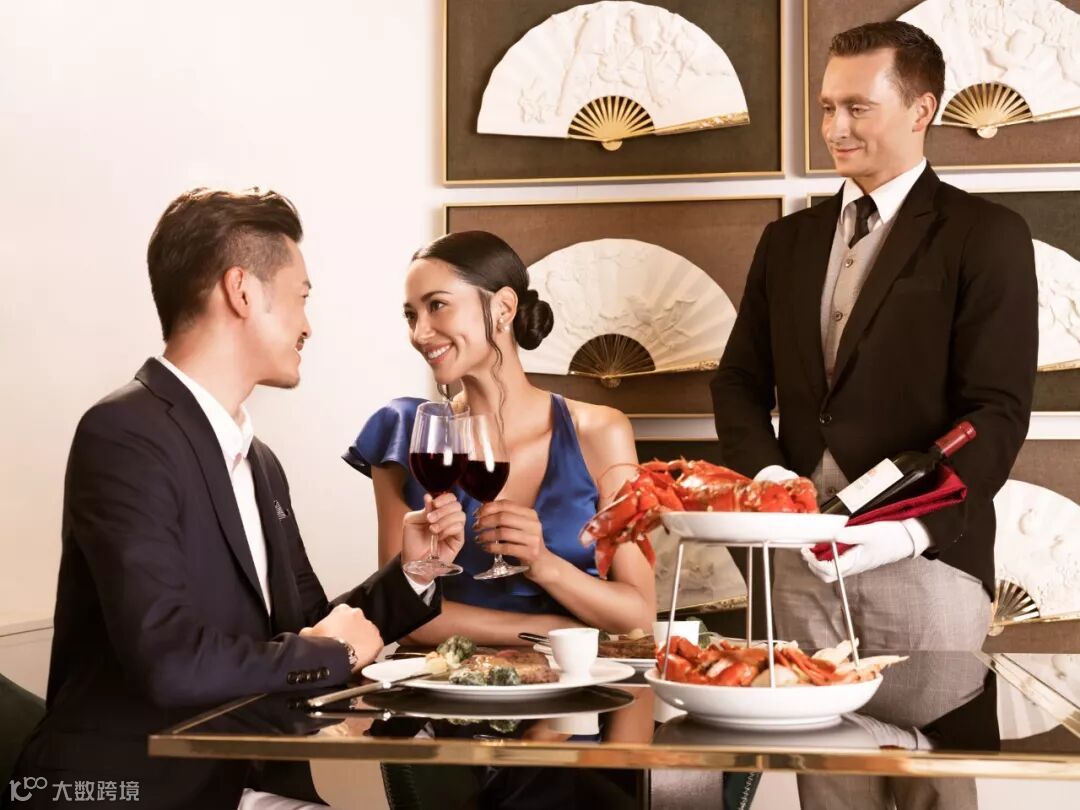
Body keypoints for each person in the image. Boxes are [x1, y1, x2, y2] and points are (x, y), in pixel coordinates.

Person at [11, 189, 466, 809]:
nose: (308, 325)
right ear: (242, 291)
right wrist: (334, 652)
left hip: (240, 783)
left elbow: (304, 629)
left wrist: (413, 574)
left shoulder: (260, 462)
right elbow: (169, 660)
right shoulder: (123, 434)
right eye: (302, 297)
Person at [711, 20, 1038, 653]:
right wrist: (771, 477)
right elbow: (738, 381)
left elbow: (996, 410)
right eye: (827, 107)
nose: (835, 128)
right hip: (797, 561)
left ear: (922, 110)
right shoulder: (786, 241)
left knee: (928, 722)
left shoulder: (986, 233)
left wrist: (910, 531)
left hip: (927, 565)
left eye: (858, 108)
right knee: (794, 721)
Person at [345, 230, 656, 646]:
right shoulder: (406, 434)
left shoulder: (600, 432)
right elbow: (402, 614)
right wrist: (554, 632)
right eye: (410, 315)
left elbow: (639, 616)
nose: (420, 333)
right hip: (443, 681)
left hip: (579, 682)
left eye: (437, 305)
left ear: (503, 308)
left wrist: (544, 564)